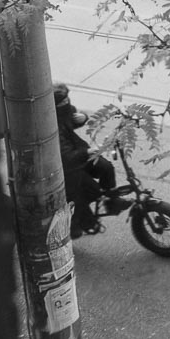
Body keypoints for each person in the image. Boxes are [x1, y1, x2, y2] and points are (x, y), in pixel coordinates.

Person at [53, 83, 117, 238]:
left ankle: (110, 200)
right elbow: (66, 156)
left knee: (106, 167)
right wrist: (87, 151)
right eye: (62, 102)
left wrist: (82, 118)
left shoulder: (64, 110)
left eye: (67, 99)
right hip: (67, 165)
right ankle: (78, 221)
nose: (67, 104)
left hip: (80, 154)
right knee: (88, 190)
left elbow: (71, 119)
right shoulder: (51, 124)